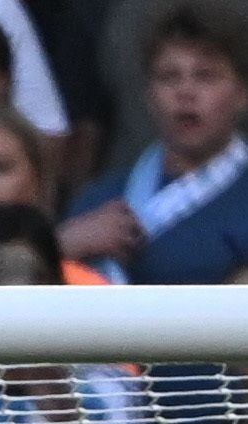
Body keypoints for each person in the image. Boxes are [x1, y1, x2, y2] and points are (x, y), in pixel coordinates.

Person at [60, 7, 248, 286]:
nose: (186, 92)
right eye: (169, 77)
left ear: (242, 95)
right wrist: (63, 244)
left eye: (205, 76)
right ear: (149, 96)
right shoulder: (101, 198)